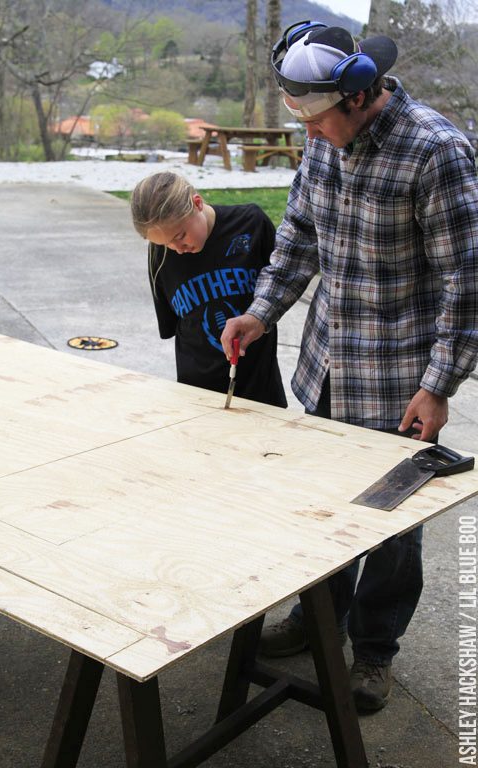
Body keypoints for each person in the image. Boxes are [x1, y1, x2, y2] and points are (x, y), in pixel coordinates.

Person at [221, 21, 478, 712]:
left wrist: (439, 386)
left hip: (400, 382)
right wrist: (261, 311)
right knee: (324, 509)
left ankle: (373, 652)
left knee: (390, 529)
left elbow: (468, 281)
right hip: (329, 363)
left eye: (319, 120)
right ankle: (317, 618)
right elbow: (300, 232)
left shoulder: (436, 150)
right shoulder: (322, 144)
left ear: (361, 96)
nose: (309, 135)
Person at [130, 171, 287, 407]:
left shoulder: (251, 224)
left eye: (180, 236)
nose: (177, 249)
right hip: (194, 395)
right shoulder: (160, 255)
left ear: (197, 203)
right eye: (165, 243)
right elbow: (174, 322)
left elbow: (281, 286)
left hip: (259, 388)